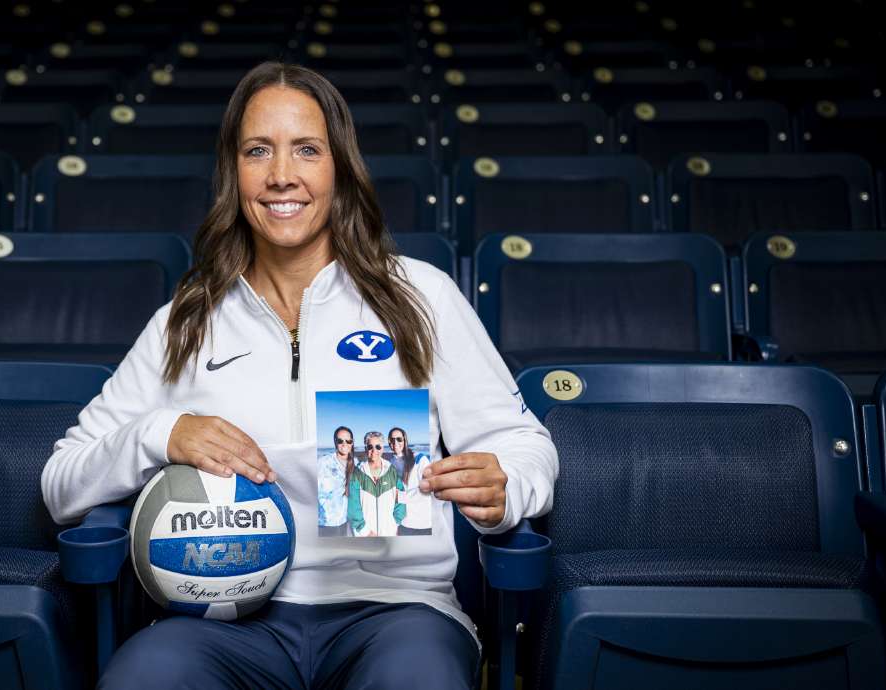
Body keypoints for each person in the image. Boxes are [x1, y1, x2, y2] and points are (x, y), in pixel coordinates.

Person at [41, 61, 558, 690]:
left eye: (306, 150)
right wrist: (160, 433)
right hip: (222, 618)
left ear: (339, 168)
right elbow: (61, 483)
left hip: (398, 612)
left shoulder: (421, 297)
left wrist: (508, 486)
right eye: (258, 150)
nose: (282, 175)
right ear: (234, 171)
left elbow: (525, 446)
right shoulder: (187, 319)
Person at [347, 431, 406, 537]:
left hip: (389, 533)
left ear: (382, 448)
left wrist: (395, 522)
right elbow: (352, 507)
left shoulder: (391, 471)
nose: (374, 450)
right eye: (370, 447)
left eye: (378, 446)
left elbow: (401, 498)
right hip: (363, 535)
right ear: (366, 449)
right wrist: (365, 531)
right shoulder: (357, 473)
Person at [389, 426, 433, 536]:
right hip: (403, 523)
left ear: (405, 440)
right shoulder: (388, 464)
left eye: (399, 439)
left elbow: (428, 489)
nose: (396, 442)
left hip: (423, 523)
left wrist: (399, 496)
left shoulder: (419, 459)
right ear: (389, 442)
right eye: (392, 439)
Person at [317, 425, 353, 536]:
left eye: (348, 441)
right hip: (325, 523)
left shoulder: (355, 463)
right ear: (335, 442)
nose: (344, 444)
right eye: (340, 440)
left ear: (352, 443)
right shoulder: (323, 462)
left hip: (344, 521)